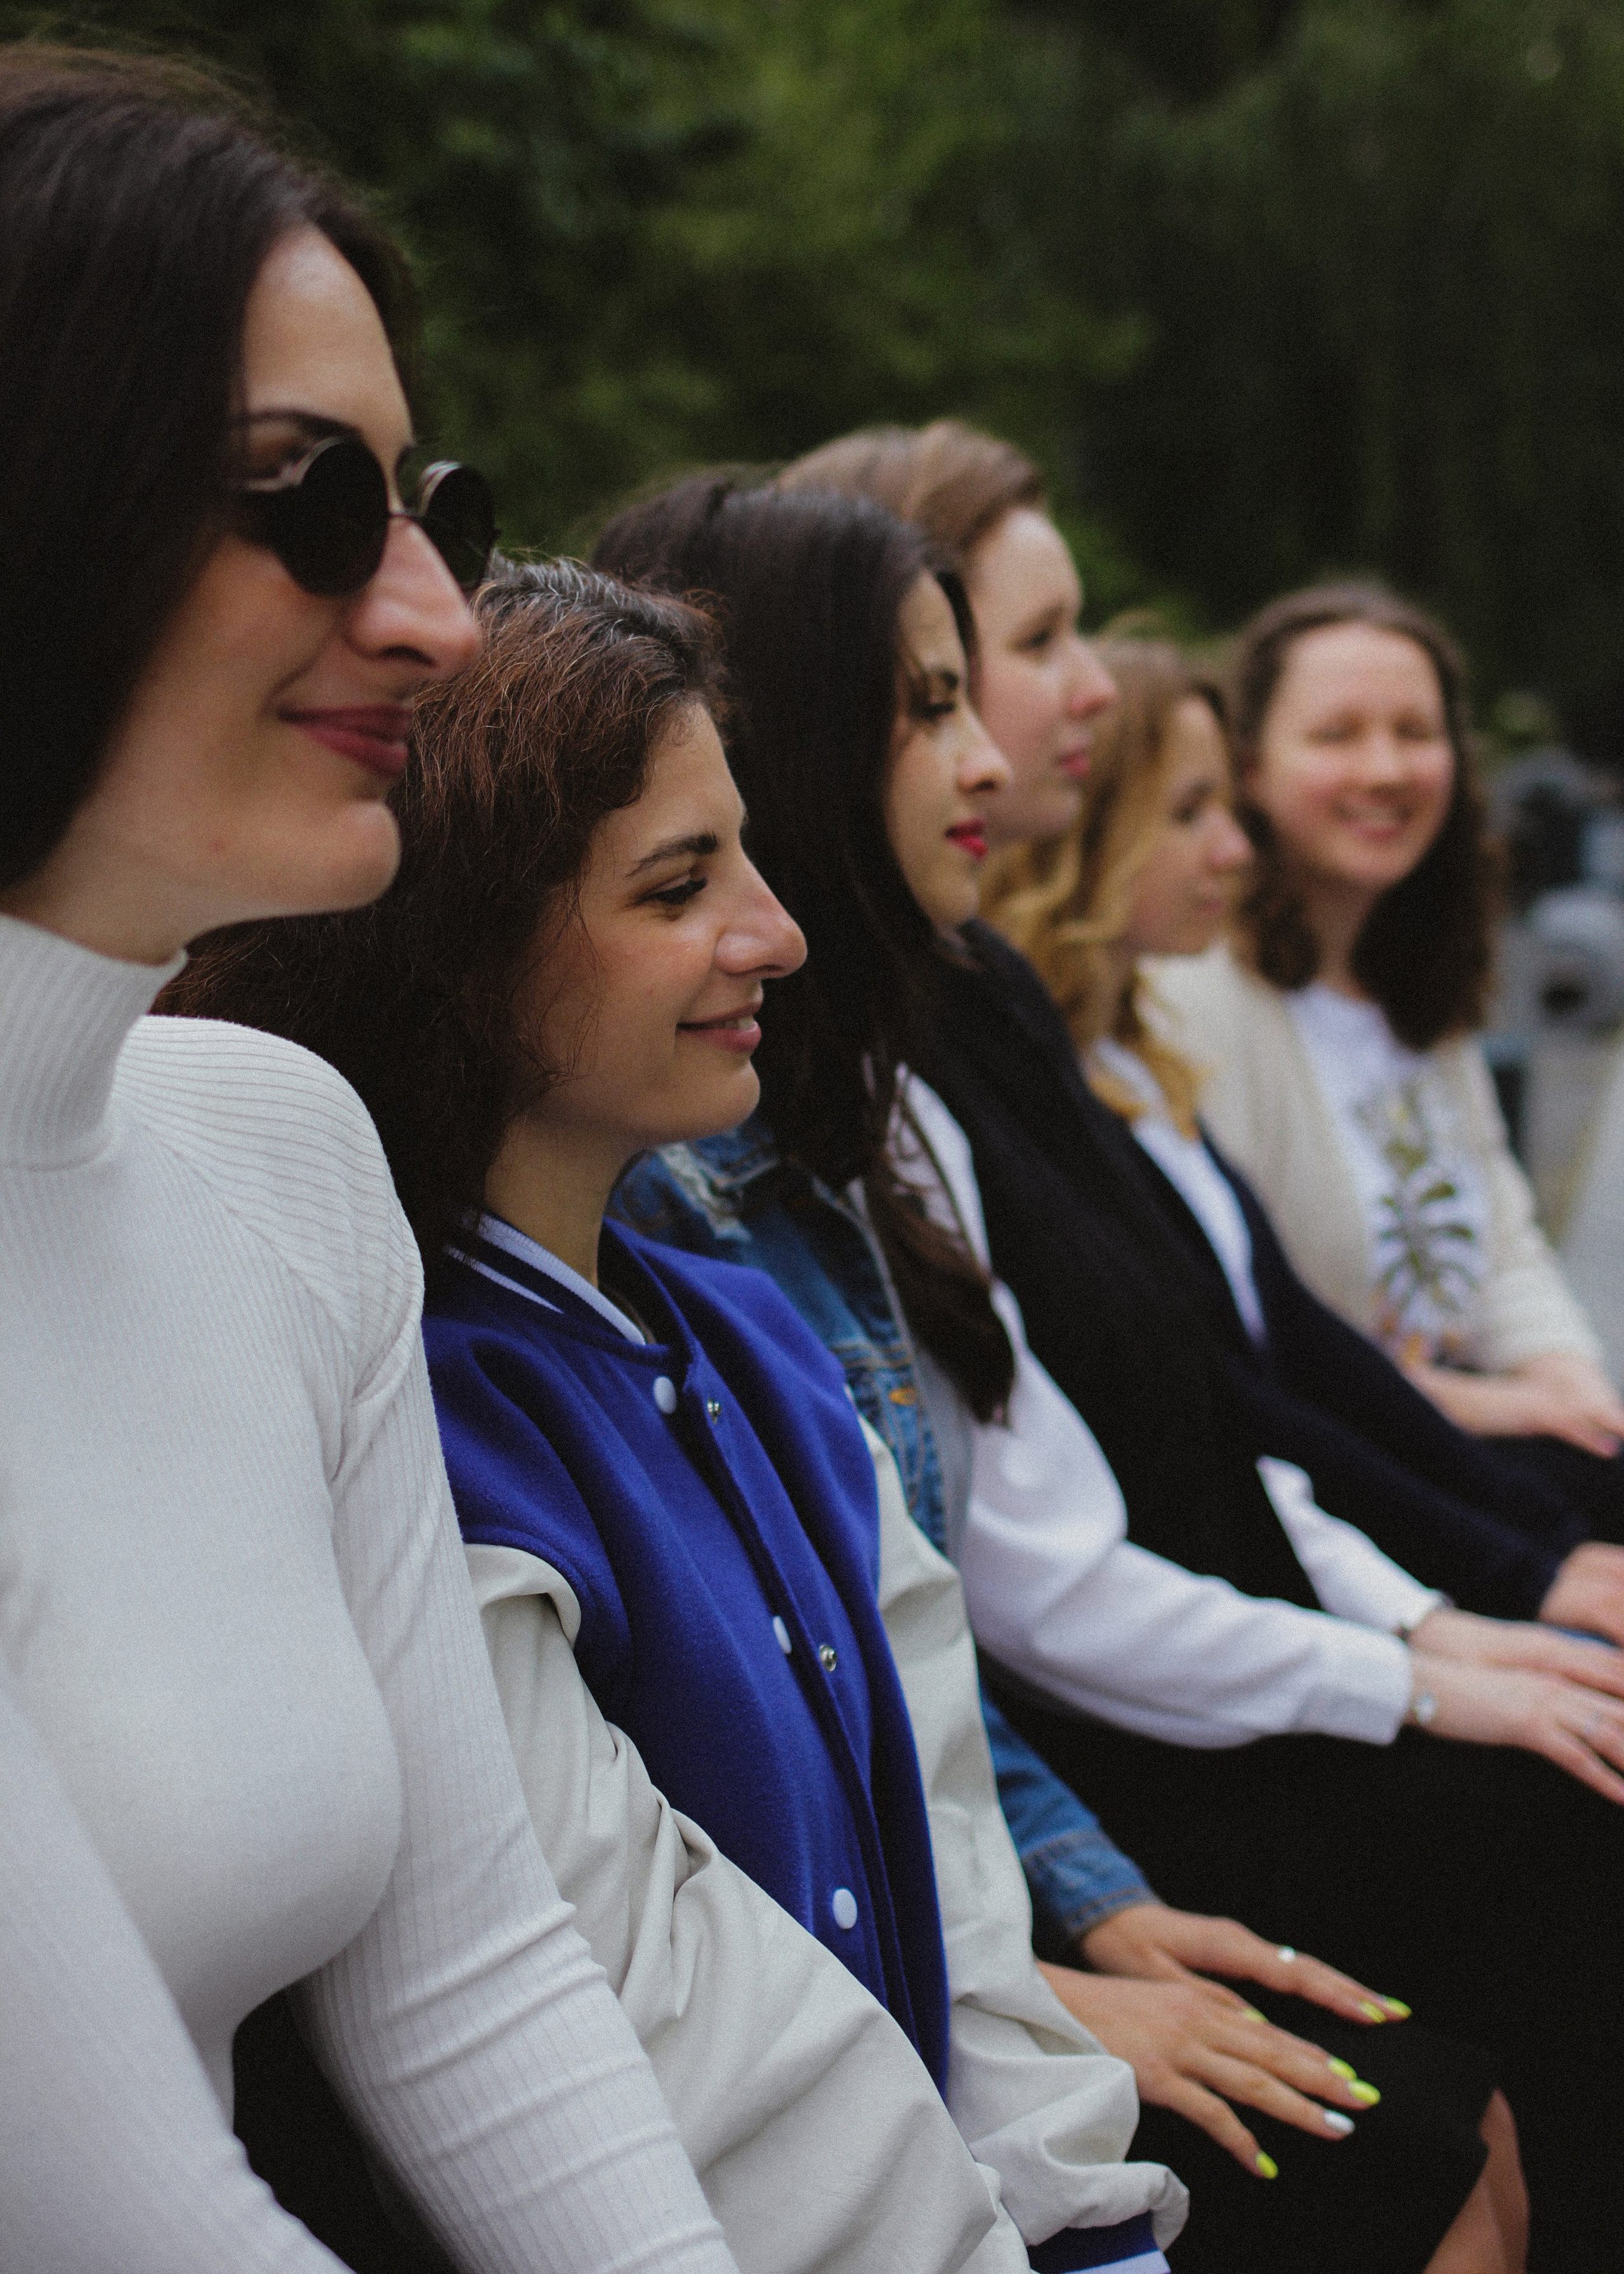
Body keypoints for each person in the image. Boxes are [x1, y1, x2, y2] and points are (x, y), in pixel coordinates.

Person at [168, 556, 1189, 2273]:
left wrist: (1084, 2223)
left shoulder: (749, 1330)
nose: (774, 933)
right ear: (461, 939)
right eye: (676, 886)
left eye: (751, 861)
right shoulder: (421, 1415)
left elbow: (956, 1885)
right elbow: (643, 2031)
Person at [593, 473, 1550, 2274]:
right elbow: (997, 1599)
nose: (1058, 717)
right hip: (983, 1882)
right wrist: (1430, 1655)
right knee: (1456, 2081)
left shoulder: (869, 1108)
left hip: (1022, 1835)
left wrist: (1461, 1613)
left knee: (1463, 2084)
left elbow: (1228, 1396)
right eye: (958, 686)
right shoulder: (731, 1162)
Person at [0, 46, 762, 2274]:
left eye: (425, 496)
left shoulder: (274, 1154)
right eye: (305, 496)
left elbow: (479, 1982)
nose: (435, 607)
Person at [1151, 584, 1624, 1527]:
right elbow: (1255, 1344)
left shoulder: (1415, 982)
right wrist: (1508, 1409)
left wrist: (1571, 1387)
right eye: (1337, 736)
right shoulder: (1196, 1001)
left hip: (1478, 1452)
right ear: (1249, 768)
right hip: (1345, 1492)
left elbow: (1502, 1240)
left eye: (1416, 732)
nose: (1386, 768)